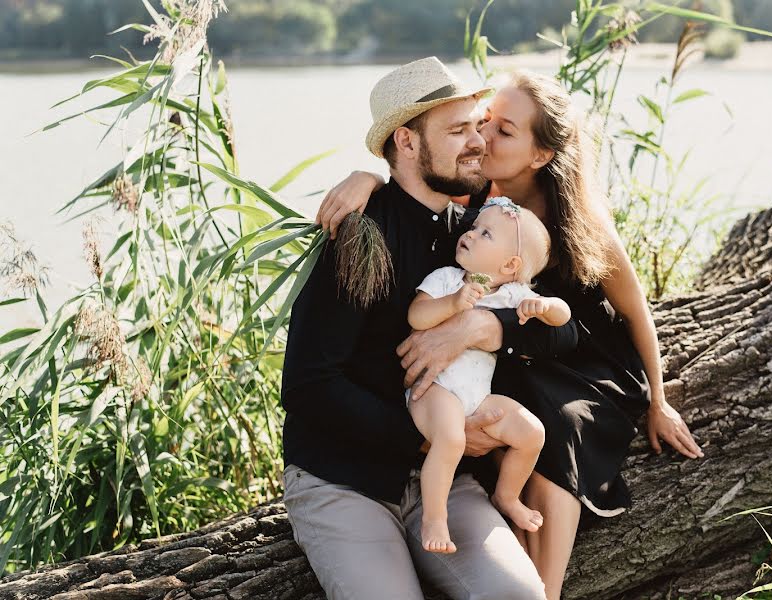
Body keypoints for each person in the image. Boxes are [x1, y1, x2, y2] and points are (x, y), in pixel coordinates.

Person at [316, 69, 705, 600]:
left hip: (584, 360)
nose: (483, 138)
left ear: (540, 155)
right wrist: (371, 179)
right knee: (504, 404)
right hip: (520, 361)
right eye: (482, 123)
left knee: (552, 420)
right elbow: (415, 184)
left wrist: (659, 401)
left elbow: (633, 314)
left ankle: (544, 578)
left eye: (501, 130)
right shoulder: (477, 204)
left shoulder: (577, 220)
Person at [280, 57, 576, 600]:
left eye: (477, 125)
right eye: (458, 130)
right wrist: (426, 439)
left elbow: (560, 333)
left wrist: (485, 326)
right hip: (343, 480)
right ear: (408, 143)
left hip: (443, 482)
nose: (478, 141)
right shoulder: (360, 240)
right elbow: (308, 384)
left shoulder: (473, 231)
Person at [408, 196, 571, 554]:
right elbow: (416, 317)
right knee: (451, 439)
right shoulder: (448, 279)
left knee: (532, 433)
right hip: (437, 389)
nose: (471, 234)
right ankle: (434, 517)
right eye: (474, 227)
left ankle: (506, 495)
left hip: (476, 397)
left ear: (511, 264)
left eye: (486, 234)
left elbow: (564, 315)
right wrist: (452, 304)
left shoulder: (512, 294)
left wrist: (543, 307)